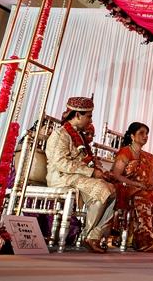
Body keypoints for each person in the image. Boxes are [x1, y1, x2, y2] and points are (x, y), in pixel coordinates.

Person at [45, 96, 116, 253]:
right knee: (103, 190)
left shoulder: (80, 136)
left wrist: (99, 172)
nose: (90, 120)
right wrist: (91, 172)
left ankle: (93, 236)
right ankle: (87, 236)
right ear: (77, 115)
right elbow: (60, 163)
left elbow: (87, 161)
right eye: (88, 116)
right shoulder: (60, 134)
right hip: (61, 177)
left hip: (77, 177)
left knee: (112, 190)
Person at [110, 122, 153, 252]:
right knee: (145, 202)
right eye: (141, 133)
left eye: (146, 134)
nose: (145, 136)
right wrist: (136, 184)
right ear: (132, 136)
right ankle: (144, 241)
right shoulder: (125, 152)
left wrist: (149, 187)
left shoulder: (146, 156)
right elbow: (116, 175)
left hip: (143, 190)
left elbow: (147, 179)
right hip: (126, 188)